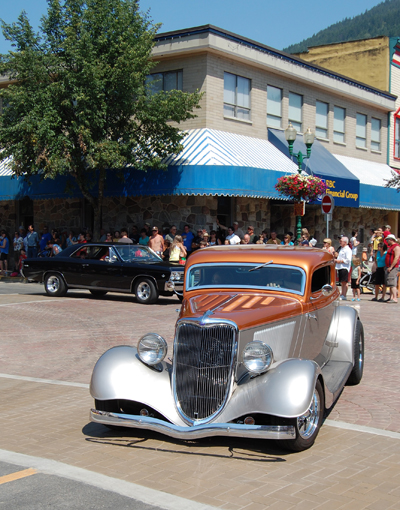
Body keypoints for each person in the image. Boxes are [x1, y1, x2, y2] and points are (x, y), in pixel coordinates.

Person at [335, 236, 352, 300]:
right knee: (342, 282)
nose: (340, 242)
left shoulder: (348, 250)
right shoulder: (341, 248)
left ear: (345, 242)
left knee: (344, 282)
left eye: (341, 241)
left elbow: (348, 260)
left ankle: (344, 295)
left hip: (344, 267)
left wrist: (339, 261)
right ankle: (342, 293)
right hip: (340, 267)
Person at [385, 234, 400, 303]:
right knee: (389, 283)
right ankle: (391, 297)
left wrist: (391, 266)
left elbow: (396, 257)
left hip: (393, 267)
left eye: (388, 240)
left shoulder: (396, 247)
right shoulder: (391, 247)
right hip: (388, 267)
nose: (387, 241)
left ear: (391, 239)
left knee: (392, 283)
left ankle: (395, 298)